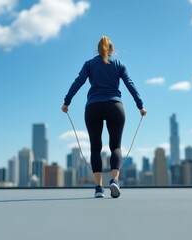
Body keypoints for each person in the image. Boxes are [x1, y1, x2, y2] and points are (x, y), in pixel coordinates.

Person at [62, 36, 147, 198]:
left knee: (95, 148)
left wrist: (67, 102)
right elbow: (130, 83)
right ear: (111, 49)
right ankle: (114, 181)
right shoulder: (119, 64)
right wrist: (140, 106)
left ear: (98, 49)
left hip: (93, 107)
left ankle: (98, 189)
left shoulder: (89, 64)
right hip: (115, 106)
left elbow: (78, 82)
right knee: (115, 146)